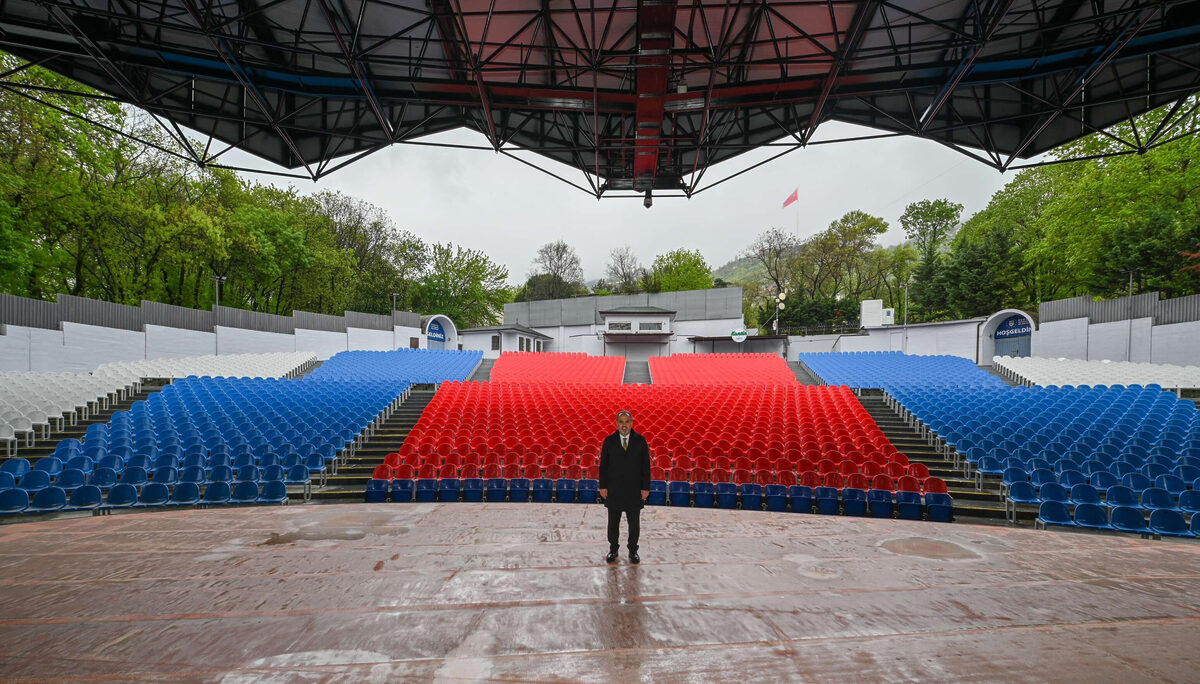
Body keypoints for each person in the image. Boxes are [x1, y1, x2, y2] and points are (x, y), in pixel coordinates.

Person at [598, 410, 651, 564]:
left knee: (634, 524)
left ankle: (633, 551)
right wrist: (603, 486)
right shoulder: (609, 440)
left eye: (627, 421)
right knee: (613, 523)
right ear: (617, 423)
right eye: (621, 422)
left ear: (632, 423)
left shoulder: (640, 441)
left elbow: (645, 467)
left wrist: (645, 487)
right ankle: (613, 549)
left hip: (634, 490)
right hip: (614, 489)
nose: (624, 425)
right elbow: (604, 466)